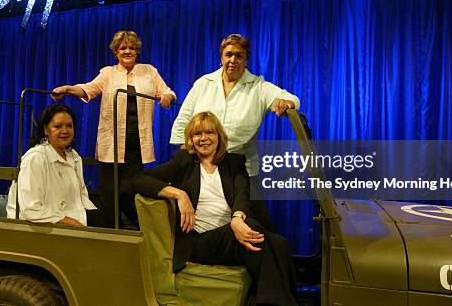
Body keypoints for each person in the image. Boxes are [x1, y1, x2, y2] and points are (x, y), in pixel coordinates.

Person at [133, 112, 298, 306]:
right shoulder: (183, 161)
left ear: (219, 136)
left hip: (230, 235)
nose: (203, 138)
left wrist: (237, 218)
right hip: (200, 242)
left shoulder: (234, 162)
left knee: (280, 243)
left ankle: (268, 301)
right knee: (256, 229)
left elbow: (242, 193)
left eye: (209, 132)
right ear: (191, 139)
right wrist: (179, 194)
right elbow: (138, 180)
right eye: (197, 134)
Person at [170, 33, 299, 229]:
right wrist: (185, 156)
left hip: (242, 170)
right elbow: (183, 121)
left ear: (246, 59)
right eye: (228, 54)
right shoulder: (203, 83)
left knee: (257, 225)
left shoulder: (258, 86)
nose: (233, 60)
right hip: (203, 167)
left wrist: (287, 103)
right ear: (221, 57)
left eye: (239, 55)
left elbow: (292, 99)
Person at [51, 30, 176, 227]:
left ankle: (134, 228)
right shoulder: (108, 73)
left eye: (131, 48)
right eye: (123, 48)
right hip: (112, 143)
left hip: (137, 144)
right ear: (116, 52)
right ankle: (111, 233)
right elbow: (87, 89)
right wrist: (67, 89)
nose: (127, 51)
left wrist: (167, 97)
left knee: (129, 188)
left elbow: (167, 92)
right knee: (110, 194)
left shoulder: (149, 71)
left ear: (137, 51)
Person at [7, 104, 97, 227]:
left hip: (72, 217)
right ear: (45, 130)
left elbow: (82, 198)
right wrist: (73, 222)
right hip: (38, 225)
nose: (65, 131)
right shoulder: (35, 158)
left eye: (69, 126)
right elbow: (31, 209)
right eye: (58, 126)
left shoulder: (73, 156)